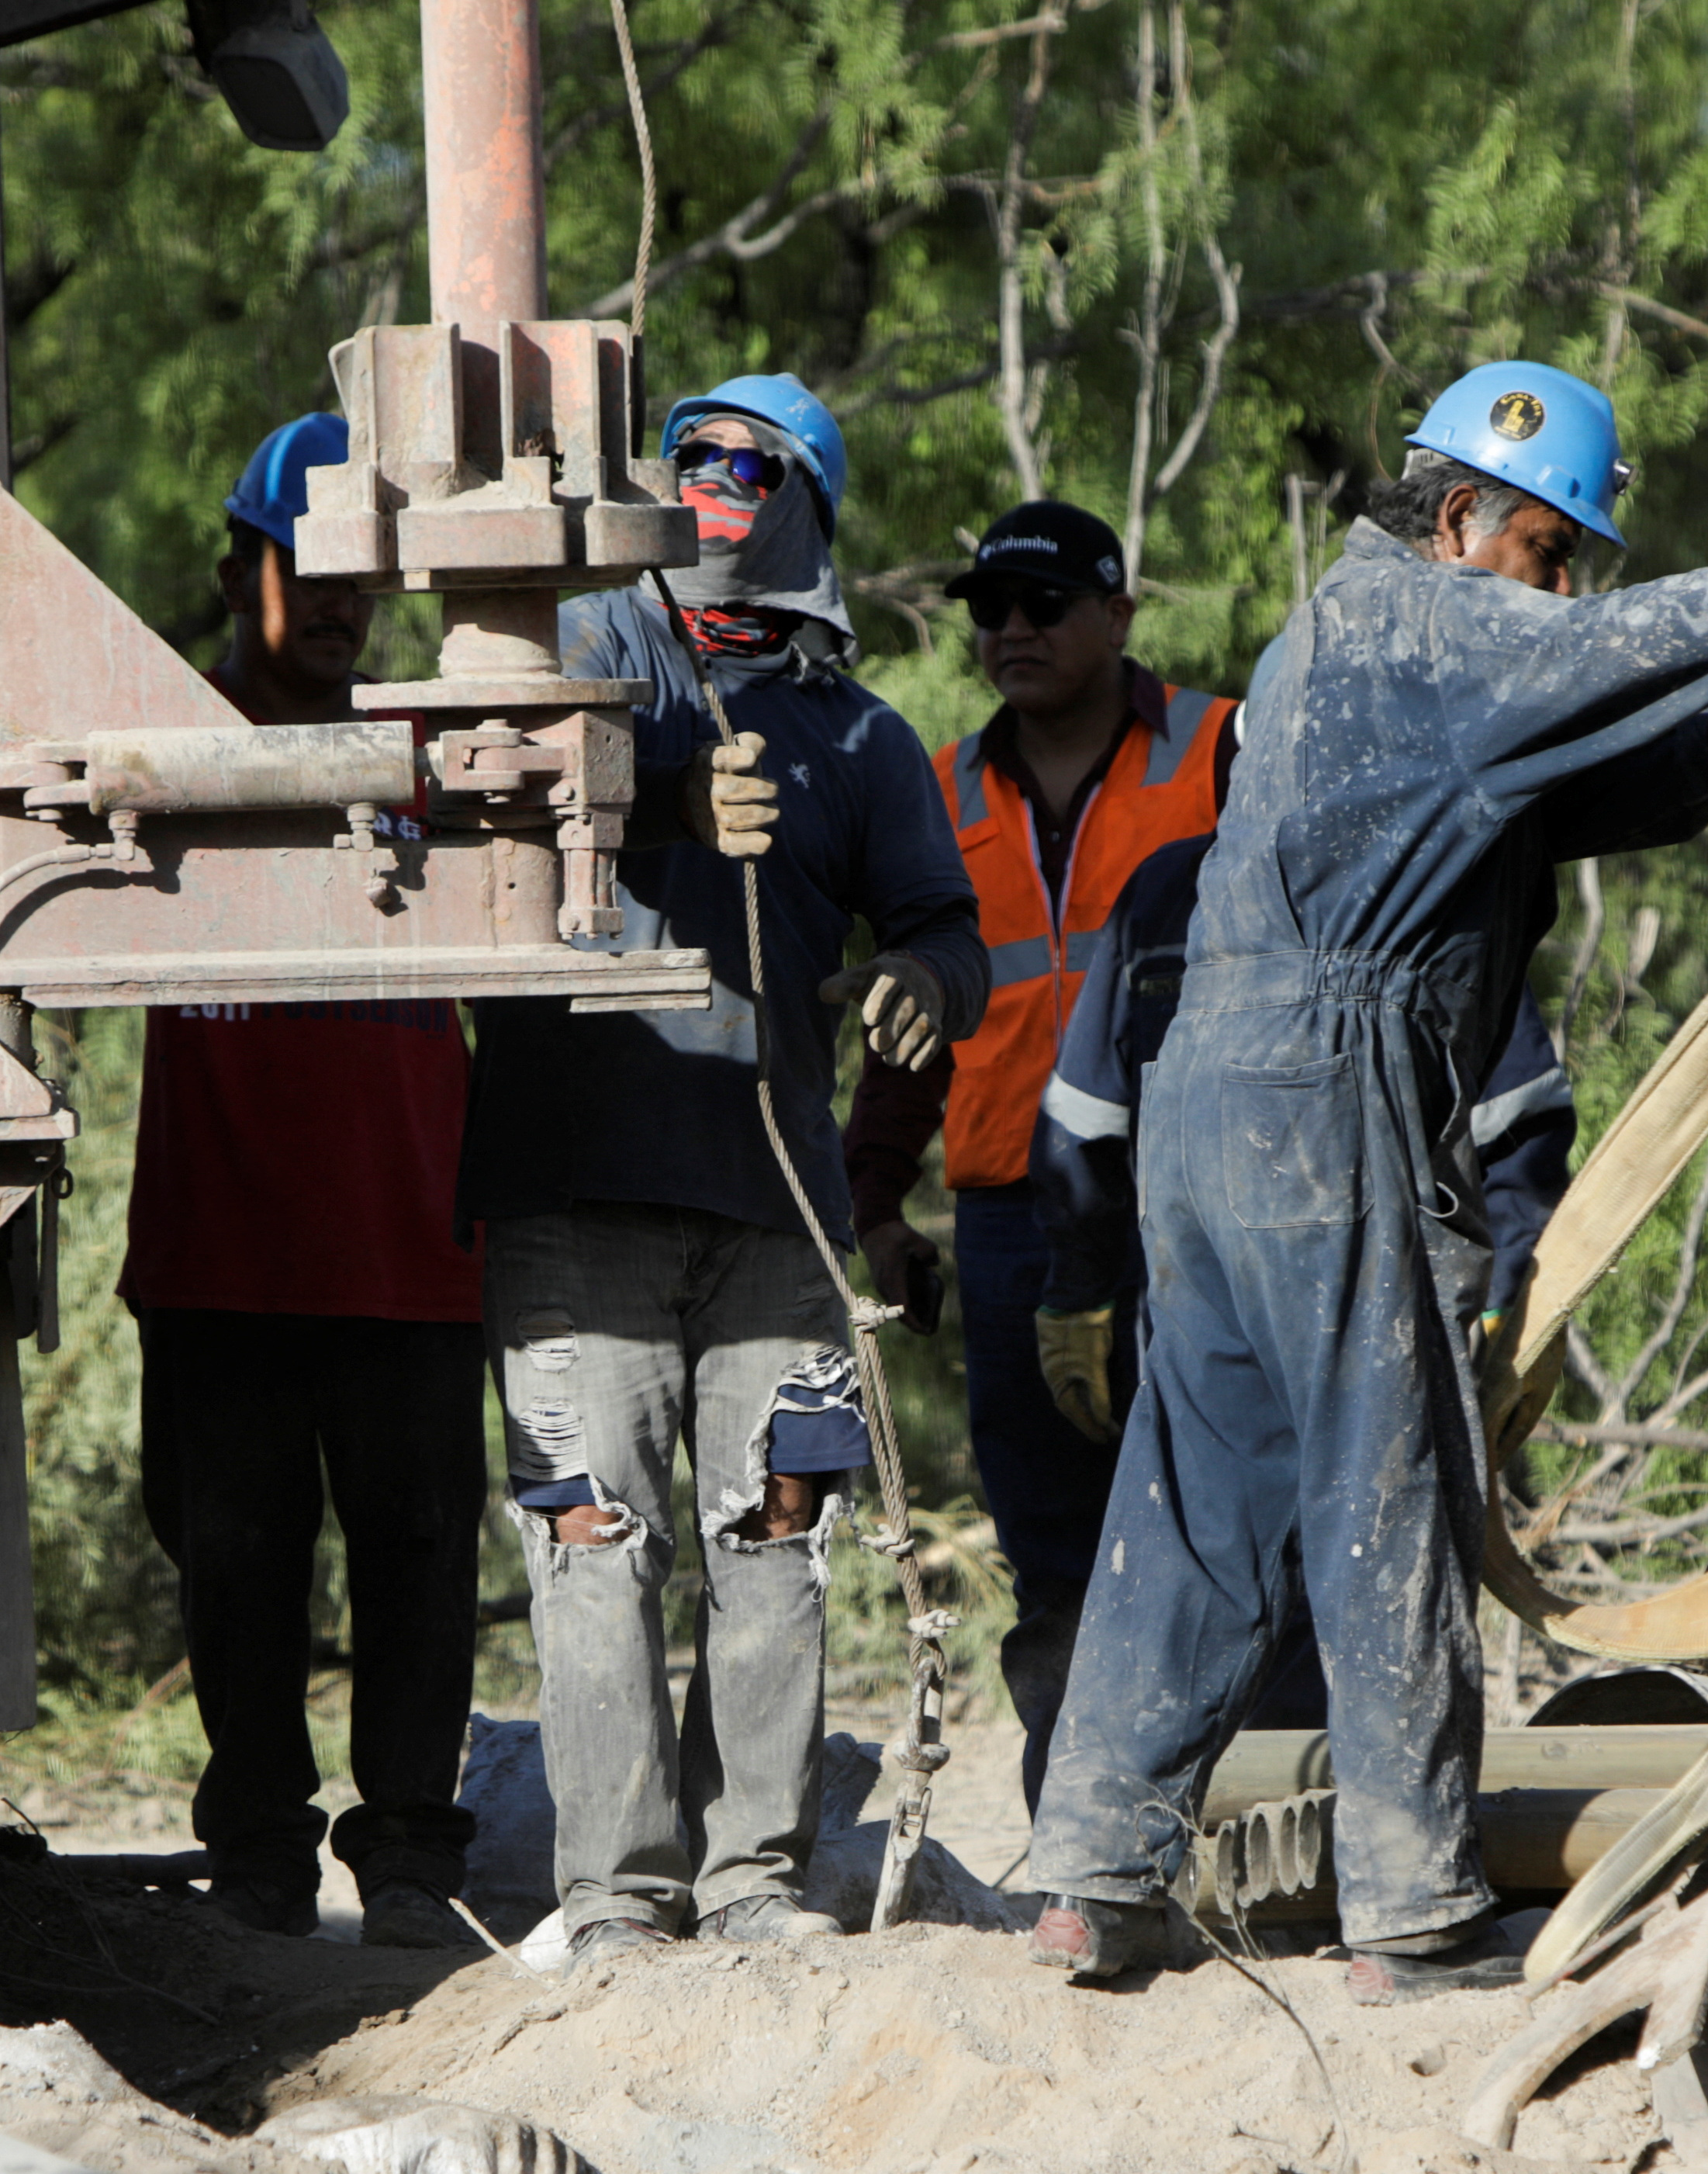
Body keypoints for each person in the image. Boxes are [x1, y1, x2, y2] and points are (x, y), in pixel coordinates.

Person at [1016, 363, 1708, 1999]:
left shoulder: (1394, 663)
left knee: (1196, 1497)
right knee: (1381, 1481)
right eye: (1551, 550)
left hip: (1216, 1107)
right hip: (1328, 1099)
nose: (1563, 587)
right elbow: (1614, 659)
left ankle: (1090, 1875)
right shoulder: (1419, 620)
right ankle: (1410, 1914)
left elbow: (1631, 757)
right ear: (1460, 517)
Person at [463, 372, 989, 1970]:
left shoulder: (860, 737)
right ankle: (616, 1899)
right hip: (576, 1201)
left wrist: (924, 984)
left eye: (748, 460)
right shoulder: (586, 655)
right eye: (685, 452)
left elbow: (944, 927)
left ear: (809, 501)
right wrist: (657, 790)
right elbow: (482, 783)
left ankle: (751, 1881)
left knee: (770, 1544)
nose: (708, 476)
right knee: (594, 1545)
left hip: (777, 1217)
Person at [119, 414, 486, 1949]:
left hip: (411, 1245)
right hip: (222, 1253)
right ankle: (258, 1850)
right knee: (236, 1570)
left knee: (416, 1563)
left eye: (361, 572)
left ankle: (403, 1849)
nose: (337, 599)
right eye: (304, 564)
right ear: (234, 572)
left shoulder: (435, 756)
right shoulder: (161, 744)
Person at [841, 500, 1235, 1810]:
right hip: (1012, 1218)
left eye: (1045, 606)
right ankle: (1077, 1828)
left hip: (1201, 1206)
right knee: (1054, 1550)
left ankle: (1242, 1815)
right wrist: (875, 1202)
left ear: (1120, 615)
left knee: (1227, 1520)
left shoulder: (1227, 749)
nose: (1011, 630)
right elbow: (909, 1022)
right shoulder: (938, 787)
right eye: (989, 609)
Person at [1023, 831, 1575, 1734]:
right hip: (1200, 1331)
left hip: (1389, 1324)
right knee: (1189, 1611)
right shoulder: (1168, 890)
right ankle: (1160, 1856)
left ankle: (1328, 1856)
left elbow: (1519, 1124)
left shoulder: (1438, 877)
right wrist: (1079, 1294)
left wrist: (1523, 1305)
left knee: (1366, 1614)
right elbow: (1086, 1127)